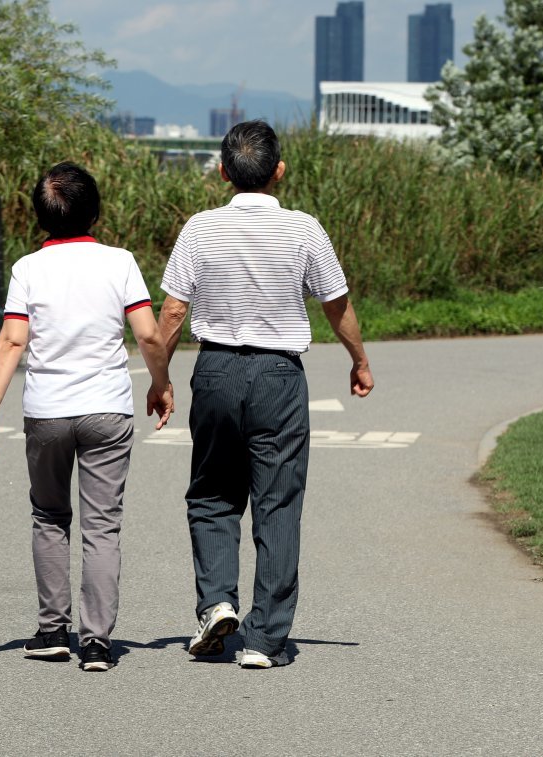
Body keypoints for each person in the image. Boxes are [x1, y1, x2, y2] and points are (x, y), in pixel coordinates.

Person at [156, 120, 374, 669]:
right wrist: (359, 360)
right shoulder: (304, 230)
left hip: (216, 369)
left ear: (224, 172)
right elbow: (335, 303)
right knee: (276, 503)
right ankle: (264, 639)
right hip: (279, 375)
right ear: (279, 171)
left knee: (211, 494)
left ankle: (217, 603)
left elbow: (175, 311)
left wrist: (160, 379)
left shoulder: (200, 229)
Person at [0, 162, 174, 673]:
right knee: (101, 527)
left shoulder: (27, 269)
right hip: (107, 408)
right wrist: (160, 383)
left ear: (39, 216)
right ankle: (96, 643)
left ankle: (51, 631)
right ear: (95, 211)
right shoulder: (120, 262)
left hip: (47, 412)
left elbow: (13, 339)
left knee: (49, 516)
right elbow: (149, 335)